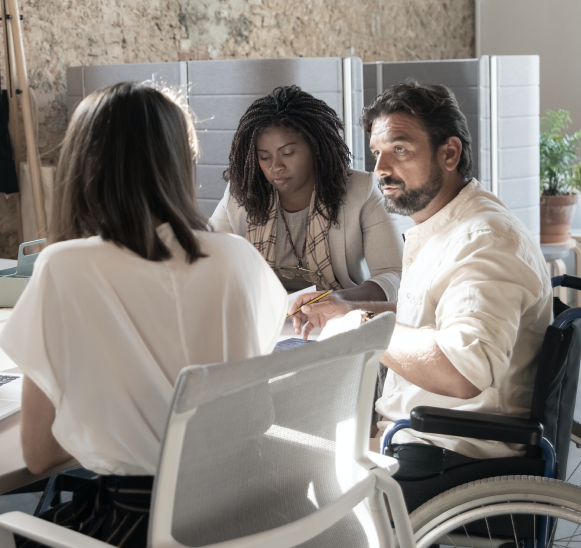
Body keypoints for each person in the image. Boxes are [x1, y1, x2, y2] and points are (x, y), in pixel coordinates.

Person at [0, 83, 287, 548]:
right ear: (181, 162)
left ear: (82, 165)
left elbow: (38, 453)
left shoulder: (65, 267)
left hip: (143, 526)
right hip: (250, 513)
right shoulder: (238, 257)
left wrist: (116, 427)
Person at [293, 80, 552, 459]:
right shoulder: (449, 225)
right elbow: (434, 316)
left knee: (288, 466)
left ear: (450, 153)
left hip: (451, 452)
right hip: (418, 436)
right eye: (377, 153)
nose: (380, 169)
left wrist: (361, 327)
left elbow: (463, 371)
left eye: (399, 149)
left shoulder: (485, 238)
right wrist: (348, 308)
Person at [210, 85, 403, 309]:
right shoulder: (242, 194)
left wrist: (337, 300)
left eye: (288, 153)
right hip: (264, 316)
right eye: (264, 157)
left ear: (315, 147)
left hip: (337, 316)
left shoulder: (361, 191)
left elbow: (394, 275)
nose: (275, 166)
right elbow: (208, 261)